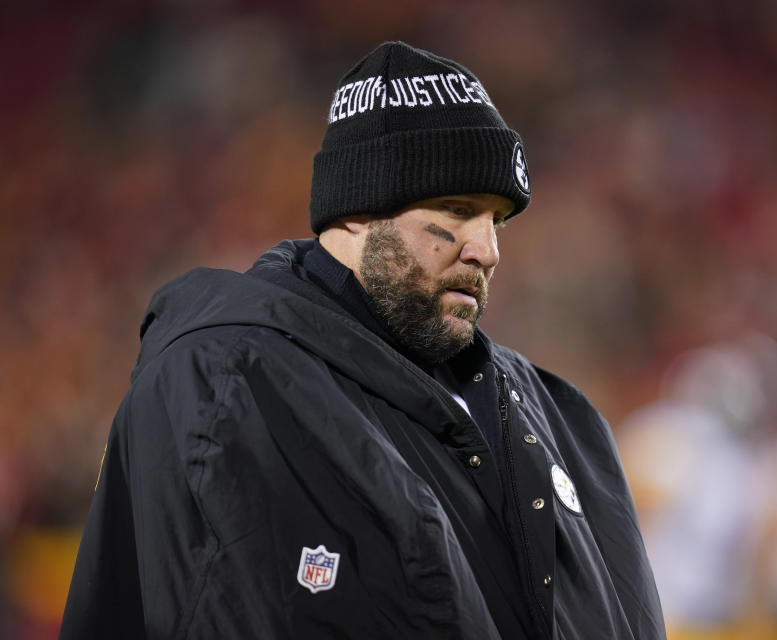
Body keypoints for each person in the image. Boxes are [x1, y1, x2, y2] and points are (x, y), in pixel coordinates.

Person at [59, 41, 666, 640]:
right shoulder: (225, 381)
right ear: (357, 210)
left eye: (497, 220)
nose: (487, 251)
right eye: (455, 210)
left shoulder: (556, 413)